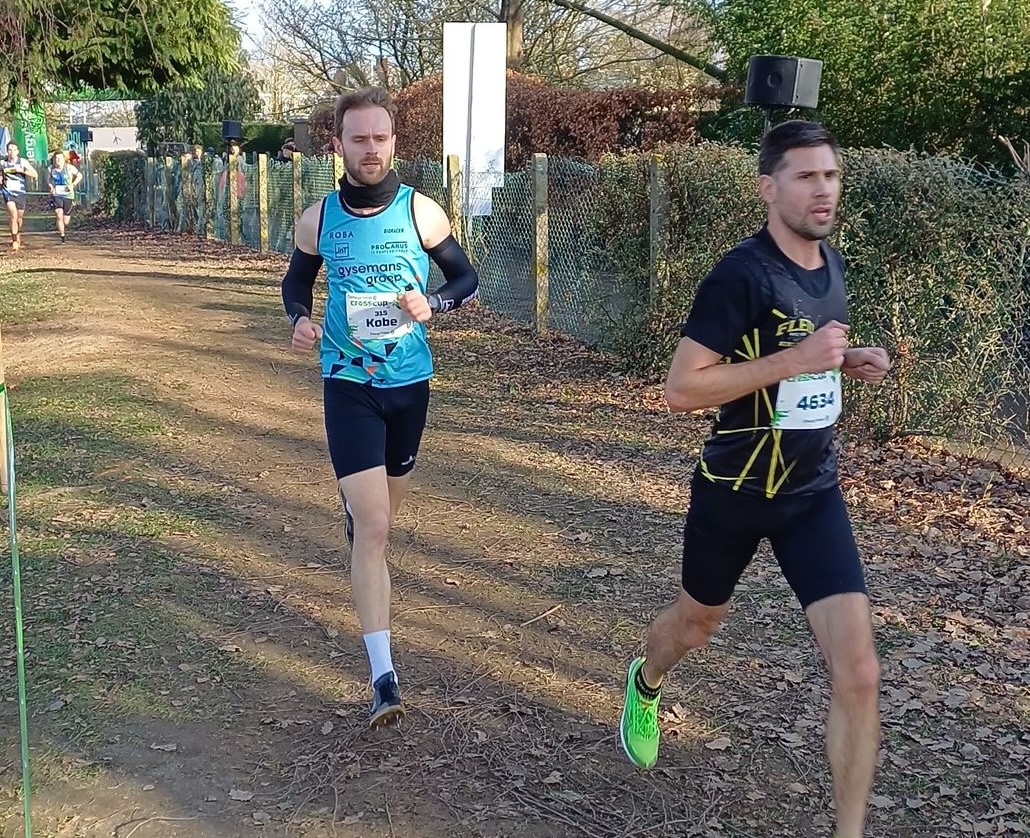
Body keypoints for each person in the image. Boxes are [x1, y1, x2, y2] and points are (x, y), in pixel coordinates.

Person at [618, 120, 892, 838]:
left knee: (859, 672)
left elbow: (801, 356)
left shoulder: (830, 265)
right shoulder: (739, 275)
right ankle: (646, 680)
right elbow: (683, 388)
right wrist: (797, 361)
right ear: (769, 188)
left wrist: (847, 360)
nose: (823, 190)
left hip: (811, 494)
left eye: (831, 175)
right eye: (806, 176)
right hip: (734, 491)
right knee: (695, 625)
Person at [281, 86, 479, 728]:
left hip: (409, 385)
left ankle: (360, 515)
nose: (371, 149)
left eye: (381, 138)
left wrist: (435, 303)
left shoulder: (421, 211)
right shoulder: (317, 219)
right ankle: (383, 679)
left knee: (382, 522)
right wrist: (300, 318)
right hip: (346, 381)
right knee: (372, 529)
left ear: (394, 142)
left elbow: (466, 278)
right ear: (337, 144)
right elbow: (295, 281)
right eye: (359, 138)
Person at [2, 141, 38, 252]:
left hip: (21, 193)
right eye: (9, 150)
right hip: (8, 192)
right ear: (7, 151)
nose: (12, 152)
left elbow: (35, 174)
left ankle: (17, 233)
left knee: (19, 218)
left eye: (14, 150)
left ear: (17, 151)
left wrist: (22, 170)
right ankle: (14, 241)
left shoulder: (22, 162)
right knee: (13, 214)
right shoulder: (2, 163)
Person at [47, 151, 83, 243]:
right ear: (53, 160)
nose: (58, 160)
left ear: (64, 159)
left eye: (60, 158)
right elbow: (48, 180)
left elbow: (79, 175)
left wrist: (73, 185)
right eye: (56, 158)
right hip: (57, 194)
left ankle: (63, 225)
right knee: (59, 214)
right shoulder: (50, 168)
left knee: (66, 220)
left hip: (68, 195)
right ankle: (62, 236)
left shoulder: (69, 167)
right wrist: (51, 187)